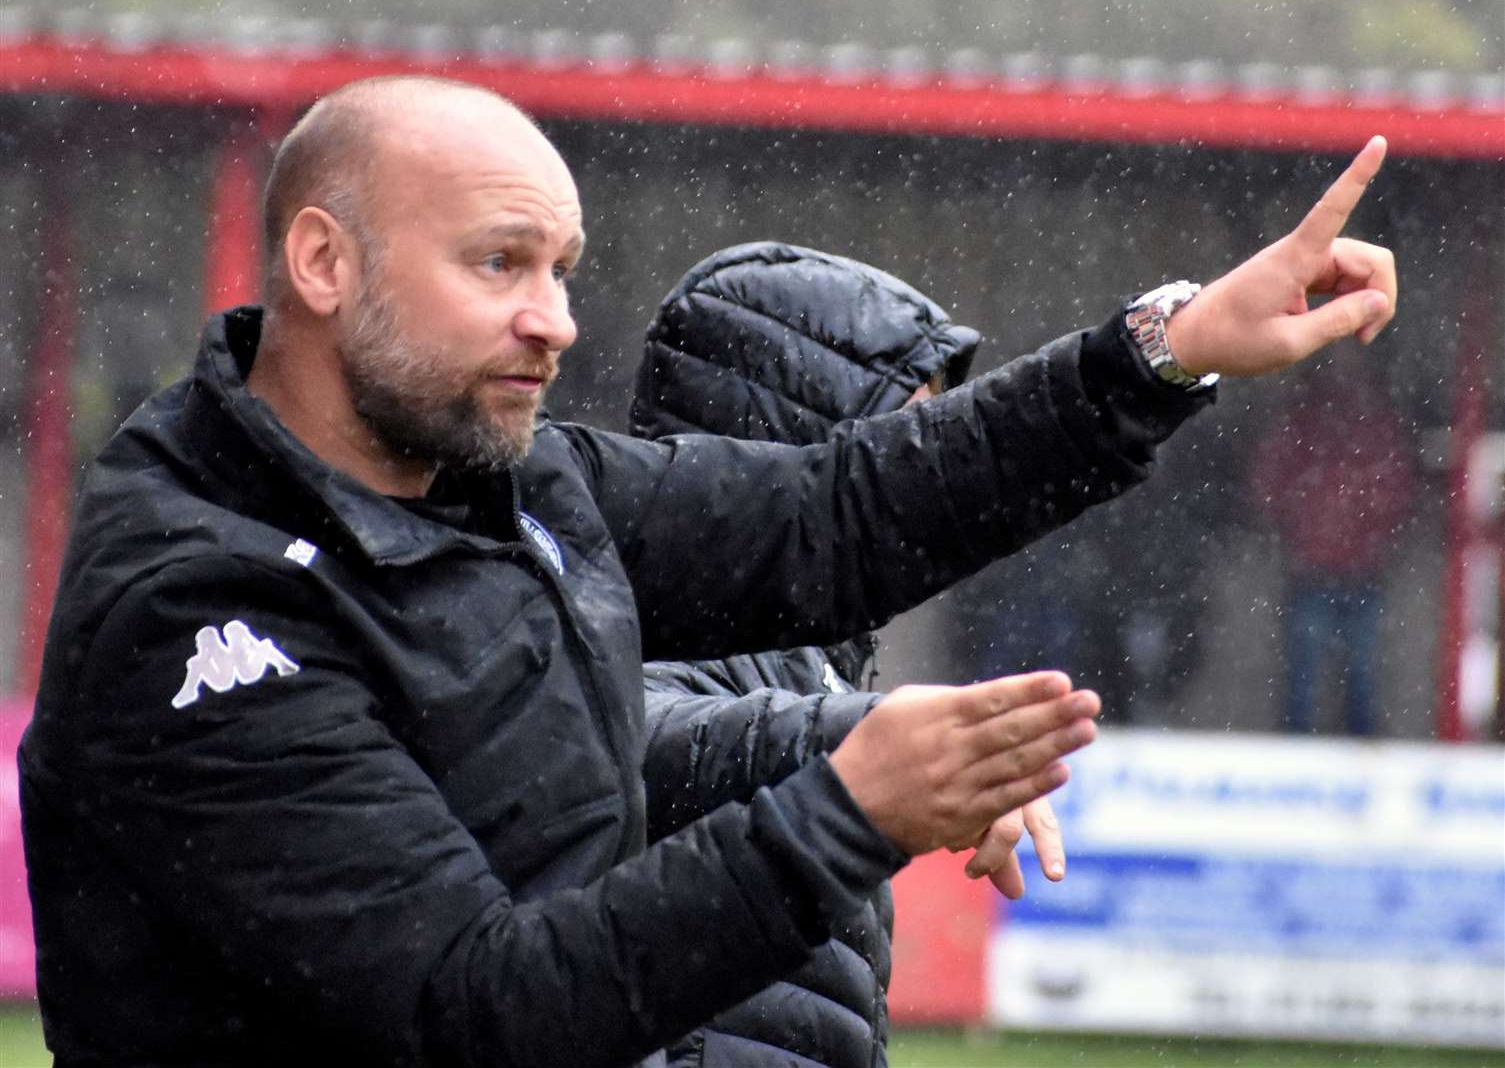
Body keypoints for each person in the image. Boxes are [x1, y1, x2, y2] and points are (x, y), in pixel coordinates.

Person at [18, 74, 1396, 1067]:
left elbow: (839, 516)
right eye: (500, 264)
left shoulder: (514, 480)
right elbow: (482, 1012)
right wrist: (854, 799)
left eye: (562, 269)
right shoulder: (201, 612)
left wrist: (1169, 347)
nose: (551, 321)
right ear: (321, 261)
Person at [630, 240, 1037, 1068]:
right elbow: (628, 740)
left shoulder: (805, 648)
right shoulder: (648, 608)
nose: (924, 479)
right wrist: (865, 733)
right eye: (902, 443)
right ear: (798, 440)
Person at [1249, 356, 1417, 734]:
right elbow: (1270, 482)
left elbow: (1396, 492)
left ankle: (1341, 752)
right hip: (1323, 570)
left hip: (1349, 570)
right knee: (1317, 673)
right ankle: (1316, 751)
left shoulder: (1365, 429)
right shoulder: (1309, 427)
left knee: (1349, 672)